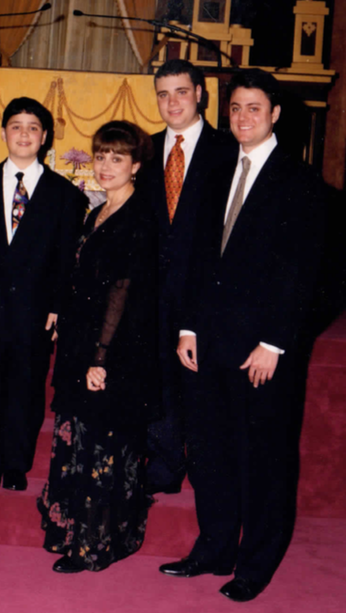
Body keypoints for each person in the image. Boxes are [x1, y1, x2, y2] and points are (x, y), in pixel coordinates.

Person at [159, 69, 325, 602]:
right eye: (234, 109)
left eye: (253, 108)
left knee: (262, 459)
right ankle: (213, 548)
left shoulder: (299, 183)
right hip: (207, 341)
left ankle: (256, 562)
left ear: (275, 114)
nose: (242, 118)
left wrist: (275, 342)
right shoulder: (213, 169)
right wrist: (187, 326)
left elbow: (306, 274)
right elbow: (194, 255)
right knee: (209, 451)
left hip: (262, 351)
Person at [38, 120, 159, 573]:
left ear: (136, 165)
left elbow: (121, 293)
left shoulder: (137, 218)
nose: (106, 165)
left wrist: (101, 359)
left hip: (111, 352)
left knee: (101, 446)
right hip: (80, 344)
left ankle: (93, 544)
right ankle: (73, 532)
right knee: (79, 438)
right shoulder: (99, 211)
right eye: (101, 155)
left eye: (118, 158)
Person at [0, 97, 88, 491]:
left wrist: (58, 306)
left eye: (33, 128)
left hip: (37, 309)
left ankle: (17, 462)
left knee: (26, 382)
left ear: (45, 138)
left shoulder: (66, 195)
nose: (24, 134)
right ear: (3, 133)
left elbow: (68, 258)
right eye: (16, 126)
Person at [144, 59, 236, 495]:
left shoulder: (228, 151)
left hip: (206, 294)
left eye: (181, 91)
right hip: (152, 292)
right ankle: (163, 467)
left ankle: (204, 473)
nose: (172, 102)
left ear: (200, 93)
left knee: (201, 392)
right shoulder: (145, 150)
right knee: (156, 379)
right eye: (163, 94)